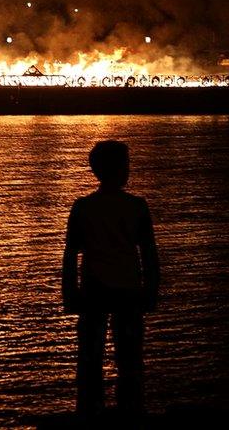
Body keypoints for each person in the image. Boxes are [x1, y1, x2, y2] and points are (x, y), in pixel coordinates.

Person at [62, 140, 160, 419]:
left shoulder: (82, 208)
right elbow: (149, 254)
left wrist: (70, 295)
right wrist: (151, 290)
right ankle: (131, 414)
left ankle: (90, 414)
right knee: (130, 359)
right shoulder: (137, 207)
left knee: (90, 358)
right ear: (119, 169)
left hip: (93, 291)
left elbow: (70, 255)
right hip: (128, 291)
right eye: (125, 164)